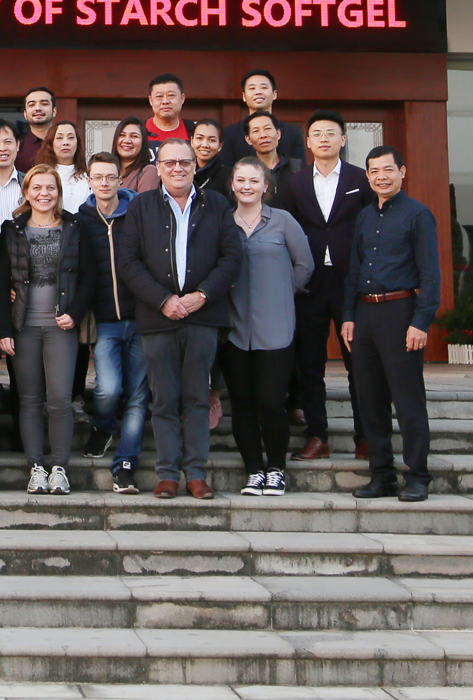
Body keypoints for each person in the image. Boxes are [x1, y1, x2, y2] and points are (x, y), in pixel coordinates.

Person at [121, 139, 243, 500]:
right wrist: (163, 300)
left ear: (195, 166)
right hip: (157, 316)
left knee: (197, 397)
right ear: (158, 168)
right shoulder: (141, 206)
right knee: (163, 399)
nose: (178, 168)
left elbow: (231, 258)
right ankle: (167, 474)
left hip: (202, 316)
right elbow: (128, 261)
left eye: (185, 162)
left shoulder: (216, 204)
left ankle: (196, 474)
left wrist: (201, 296)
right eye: (170, 162)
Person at [342, 146, 440, 503]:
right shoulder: (365, 216)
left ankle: (417, 476)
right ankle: (381, 475)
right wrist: (348, 315)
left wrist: (421, 320)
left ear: (402, 172)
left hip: (401, 312)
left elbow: (430, 273)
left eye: (388, 169)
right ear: (367, 176)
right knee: (370, 399)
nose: (381, 177)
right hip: (365, 314)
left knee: (407, 398)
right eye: (374, 171)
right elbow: (354, 269)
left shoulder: (418, 215)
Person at [0, 164, 93, 496]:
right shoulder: (12, 230)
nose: (44, 194)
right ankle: (36, 467)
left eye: (50, 187)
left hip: (60, 327)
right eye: (36, 188)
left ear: (58, 192)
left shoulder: (75, 227)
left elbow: (89, 278)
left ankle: (59, 468)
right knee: (29, 399)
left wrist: (75, 314)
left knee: (60, 399)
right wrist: (4, 329)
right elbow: (0, 282)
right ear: (26, 192)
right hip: (24, 326)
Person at [218, 158, 313, 498]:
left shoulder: (283, 221)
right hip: (234, 329)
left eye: (254, 180)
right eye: (241, 180)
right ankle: (253, 471)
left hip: (276, 328)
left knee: (271, 401)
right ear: (232, 185)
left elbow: (304, 265)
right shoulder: (222, 223)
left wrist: (282, 292)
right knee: (242, 404)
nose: (247, 186)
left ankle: (275, 469)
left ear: (265, 186)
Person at [283, 110, 371, 463]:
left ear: (343, 140)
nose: (324, 139)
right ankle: (318, 436)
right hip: (310, 284)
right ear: (308, 142)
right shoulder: (295, 183)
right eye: (317, 134)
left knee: (359, 364)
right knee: (310, 365)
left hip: (352, 283)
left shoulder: (360, 179)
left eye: (331, 133)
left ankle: (366, 437)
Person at [78, 152, 146, 494]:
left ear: (120, 179)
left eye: (110, 177)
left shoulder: (139, 214)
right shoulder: (82, 219)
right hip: (105, 320)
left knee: (137, 395)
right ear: (89, 181)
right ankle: (103, 425)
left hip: (142, 318)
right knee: (108, 389)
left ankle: (125, 465)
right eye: (98, 177)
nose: (104, 183)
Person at [222, 69, 305, 167]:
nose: (258, 92)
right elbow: (227, 171)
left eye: (264, 87)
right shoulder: (229, 134)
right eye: (252, 88)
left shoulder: (292, 132)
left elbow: (301, 170)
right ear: (244, 96)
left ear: (274, 94)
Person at [241, 110, 303, 206]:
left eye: (267, 128)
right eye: (256, 131)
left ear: (278, 133)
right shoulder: (244, 171)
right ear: (248, 139)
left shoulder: (297, 167)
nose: (263, 135)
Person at [34, 119, 92, 213]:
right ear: (51, 143)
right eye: (59, 138)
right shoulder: (41, 175)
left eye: (71, 137)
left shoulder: (88, 176)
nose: (65, 142)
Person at [111, 118, 159, 194]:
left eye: (134, 136)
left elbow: (146, 201)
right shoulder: (108, 170)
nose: (127, 141)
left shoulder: (149, 172)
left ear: (143, 142)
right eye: (122, 135)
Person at [144, 74, 190, 153]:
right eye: (159, 96)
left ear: (182, 98)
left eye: (171, 95)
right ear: (151, 100)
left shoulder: (193, 132)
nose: (165, 101)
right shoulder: (140, 131)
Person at [15, 86, 56, 171]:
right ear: (25, 114)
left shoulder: (66, 144)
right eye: (31, 105)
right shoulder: (17, 148)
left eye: (44, 104)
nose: (38, 108)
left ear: (54, 111)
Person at [190, 119, 226, 195]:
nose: (205, 145)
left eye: (212, 140)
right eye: (199, 138)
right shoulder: (184, 170)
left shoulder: (228, 176)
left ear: (220, 145)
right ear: (192, 141)